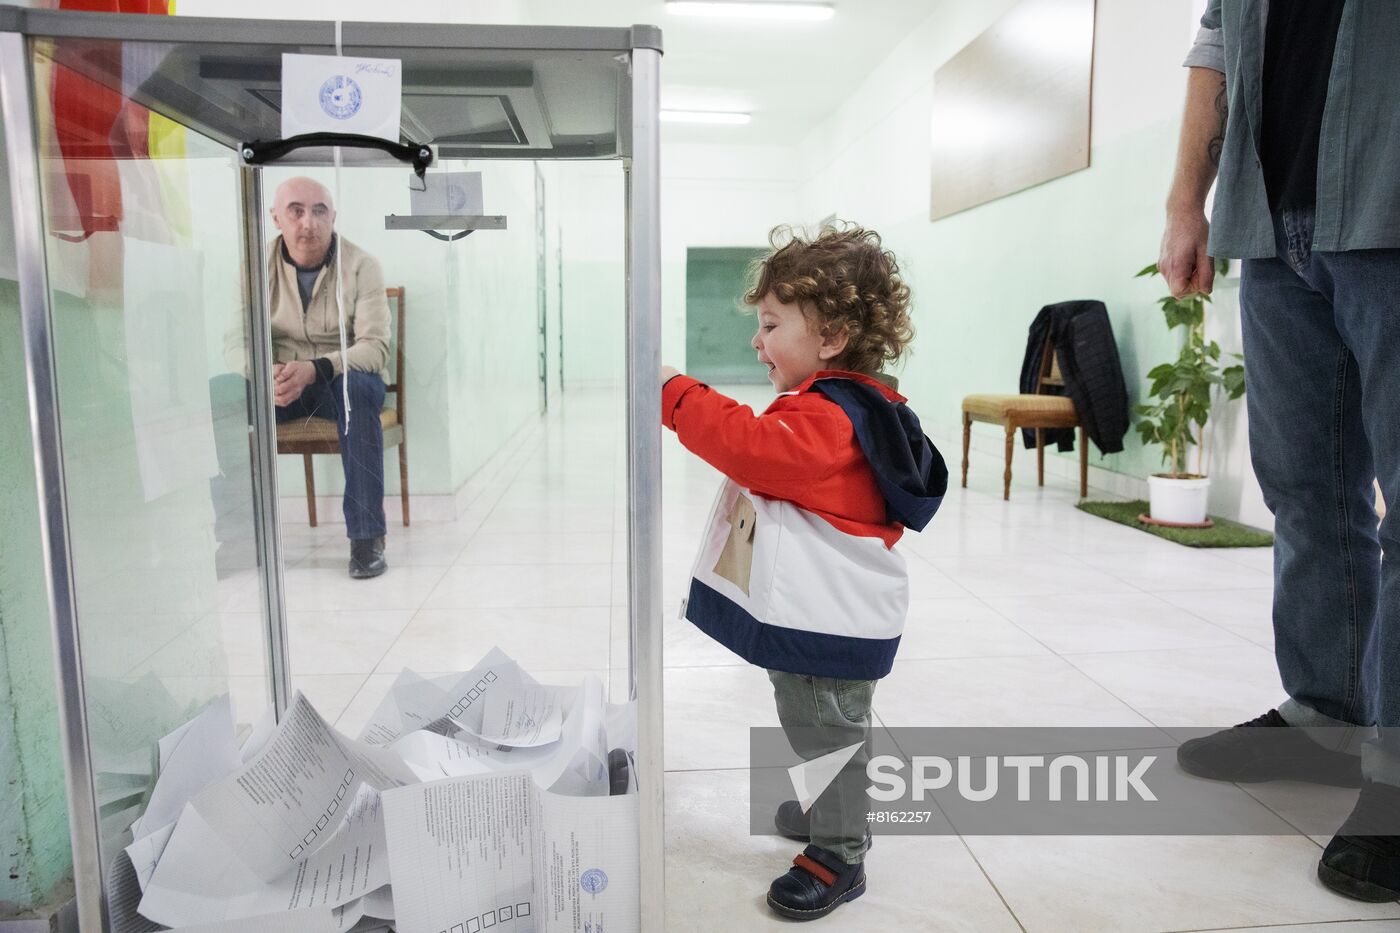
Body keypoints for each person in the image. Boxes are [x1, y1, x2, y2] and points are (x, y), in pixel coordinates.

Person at [1163, 0, 1400, 901]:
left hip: (1388, 197)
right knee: (1303, 490)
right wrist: (1189, 201)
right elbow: (1218, 40)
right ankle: (1326, 711)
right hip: (1272, 227)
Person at [660, 224, 947, 920]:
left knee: (828, 731)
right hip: (825, 619)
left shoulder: (833, 417)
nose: (756, 341)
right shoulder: (842, 405)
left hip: (831, 622)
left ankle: (838, 855)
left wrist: (677, 395)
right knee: (823, 725)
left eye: (769, 324)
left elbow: (752, 448)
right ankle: (833, 811)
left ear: (831, 337)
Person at [218, 176, 392, 579]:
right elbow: (235, 342)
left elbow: (375, 348)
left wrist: (317, 368)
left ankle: (366, 540)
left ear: (333, 217)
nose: (308, 223)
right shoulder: (254, 267)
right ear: (276, 217)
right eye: (295, 211)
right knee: (221, 395)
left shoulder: (363, 266)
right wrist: (266, 374)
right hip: (280, 382)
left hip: (337, 380)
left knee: (359, 393)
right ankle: (238, 539)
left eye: (319, 211)